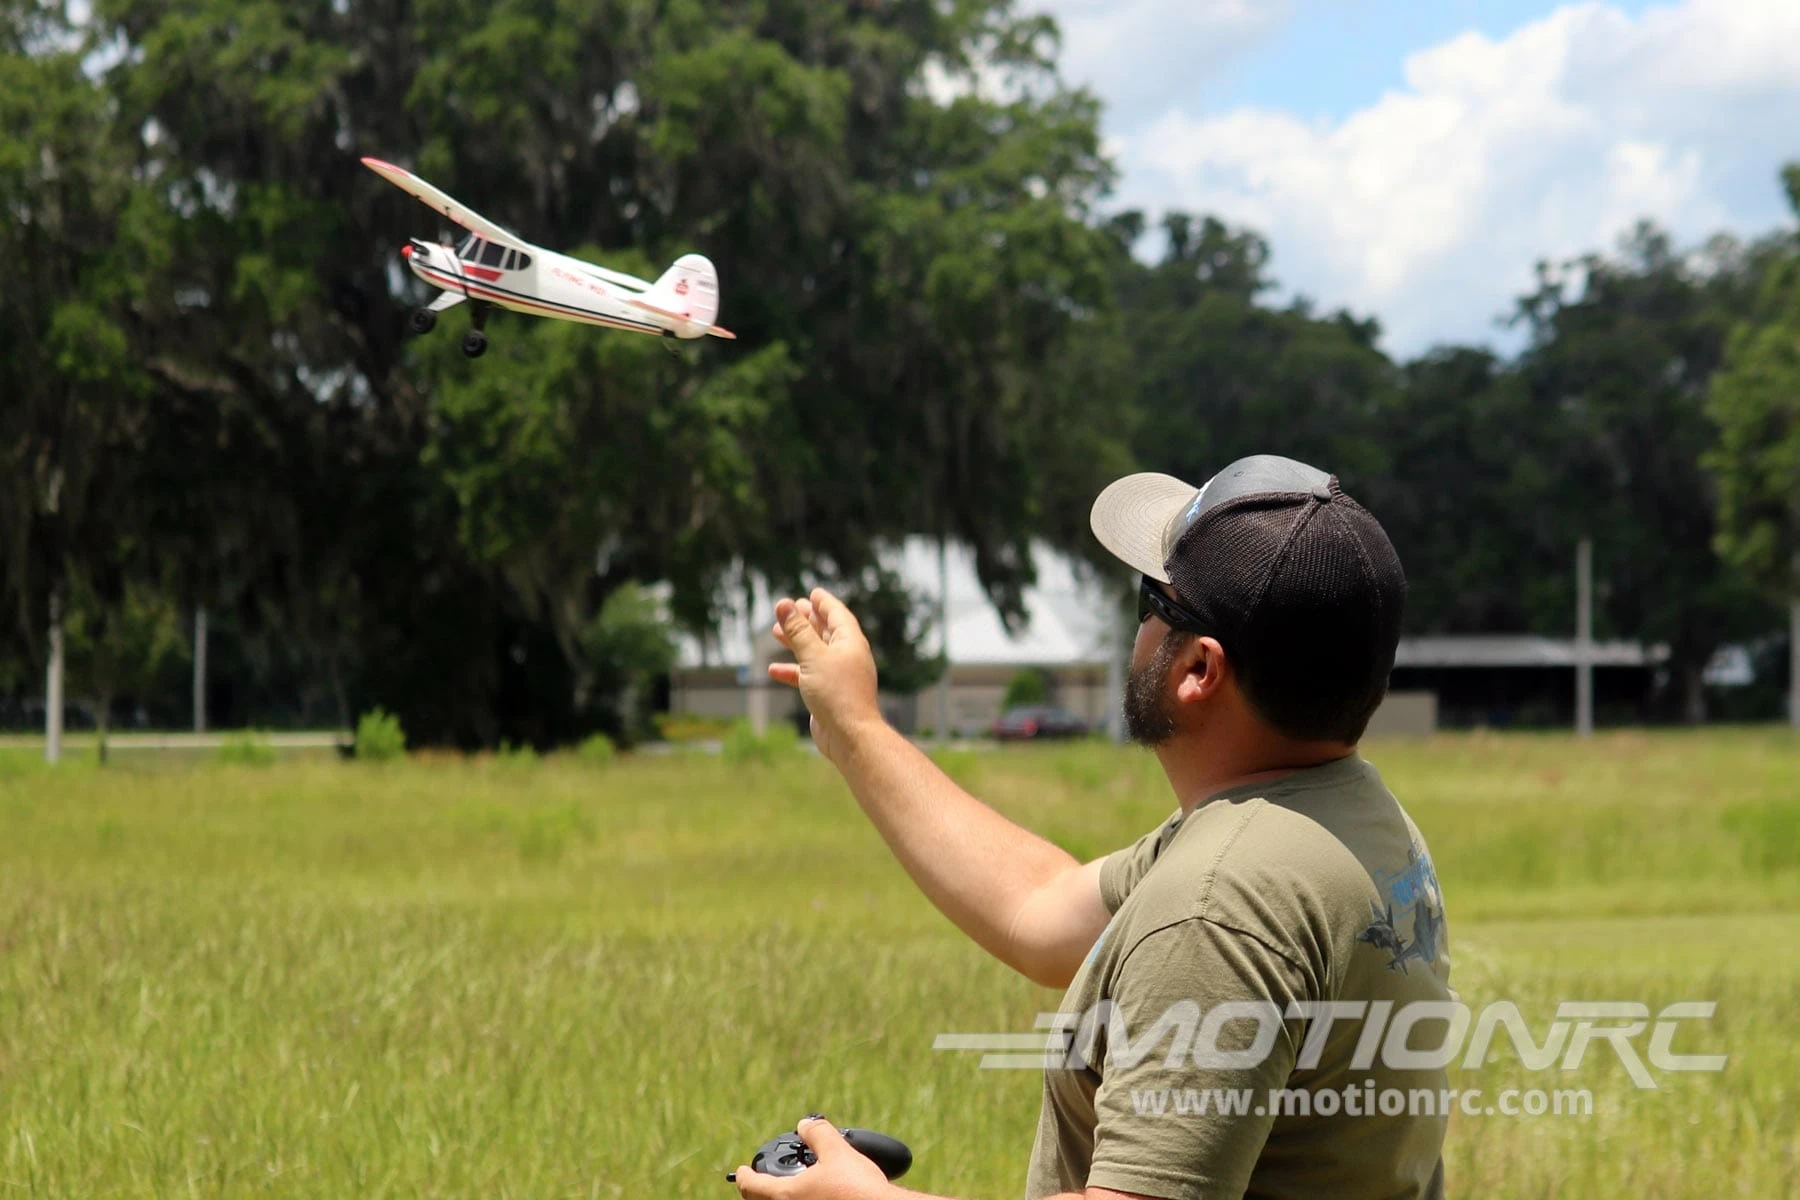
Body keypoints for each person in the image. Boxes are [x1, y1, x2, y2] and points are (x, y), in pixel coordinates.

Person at [733, 454, 1454, 1200]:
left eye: (1153, 600)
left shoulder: (1220, 901)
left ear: (1199, 668)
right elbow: (1038, 908)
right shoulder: (1337, 819)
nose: (1137, 626)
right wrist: (855, 727)